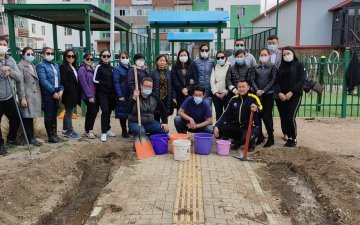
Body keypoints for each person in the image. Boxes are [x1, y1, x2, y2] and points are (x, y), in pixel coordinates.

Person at [214, 80, 262, 151]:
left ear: (248, 87)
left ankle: (250, 143)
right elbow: (225, 114)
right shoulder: (234, 99)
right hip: (238, 127)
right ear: (237, 88)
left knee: (245, 138)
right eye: (239, 87)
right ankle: (238, 140)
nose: (241, 89)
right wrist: (217, 126)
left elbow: (261, 108)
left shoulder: (253, 98)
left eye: (243, 87)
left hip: (251, 127)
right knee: (221, 128)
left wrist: (256, 108)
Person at [275, 46, 306, 147]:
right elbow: (277, 81)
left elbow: (302, 80)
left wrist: (291, 92)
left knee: (290, 117)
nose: (286, 56)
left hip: (295, 95)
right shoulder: (281, 67)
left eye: (288, 53)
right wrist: (279, 93)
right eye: (284, 54)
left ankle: (293, 138)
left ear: (293, 53)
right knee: (284, 117)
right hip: (283, 96)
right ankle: (289, 138)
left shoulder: (299, 65)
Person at [249, 48, 277, 147]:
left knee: (266, 116)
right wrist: (257, 90)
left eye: (265, 55)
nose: (263, 57)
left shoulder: (273, 67)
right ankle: (260, 136)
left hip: (268, 94)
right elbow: (252, 79)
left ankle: (271, 137)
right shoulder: (255, 67)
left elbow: (273, 80)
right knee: (257, 116)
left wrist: (264, 90)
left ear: (269, 56)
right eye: (261, 55)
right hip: (256, 94)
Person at [36, 47, 64, 143]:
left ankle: (55, 134)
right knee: (48, 114)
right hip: (48, 93)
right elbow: (43, 80)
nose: (50, 55)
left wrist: (61, 90)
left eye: (52, 53)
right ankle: (50, 136)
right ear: (43, 54)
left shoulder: (55, 65)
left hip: (57, 92)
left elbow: (59, 80)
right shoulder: (40, 65)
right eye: (48, 53)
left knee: (54, 114)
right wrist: (53, 92)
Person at [0, 37, 22, 155]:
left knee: (16, 118)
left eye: (4, 44)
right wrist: (2, 72)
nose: (2, 46)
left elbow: (19, 77)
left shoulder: (11, 59)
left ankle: (12, 138)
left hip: (10, 96)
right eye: (0, 44)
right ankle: (0, 144)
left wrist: (10, 70)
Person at [17, 47, 42, 147]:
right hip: (27, 96)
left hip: (34, 95)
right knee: (27, 118)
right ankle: (29, 138)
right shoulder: (20, 66)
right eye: (28, 54)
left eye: (32, 54)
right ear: (23, 55)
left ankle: (31, 138)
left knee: (30, 117)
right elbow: (20, 83)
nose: (31, 56)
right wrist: (22, 97)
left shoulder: (32, 65)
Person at [93, 50, 116, 142]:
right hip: (102, 94)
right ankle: (103, 132)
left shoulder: (111, 67)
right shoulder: (99, 67)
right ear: (101, 57)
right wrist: (104, 83)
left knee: (109, 111)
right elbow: (94, 80)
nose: (106, 57)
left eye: (108, 56)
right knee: (105, 111)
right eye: (104, 56)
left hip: (111, 94)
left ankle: (107, 128)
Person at [60, 49, 81, 140]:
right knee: (69, 113)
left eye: (73, 56)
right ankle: (70, 131)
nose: (71, 58)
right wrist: (71, 91)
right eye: (69, 56)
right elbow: (64, 81)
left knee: (68, 112)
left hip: (74, 93)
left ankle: (65, 129)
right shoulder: (63, 67)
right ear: (65, 57)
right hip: (69, 94)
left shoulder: (74, 67)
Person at [78, 52, 98, 139]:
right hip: (88, 95)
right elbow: (84, 83)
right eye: (87, 58)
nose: (89, 60)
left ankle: (87, 130)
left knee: (90, 112)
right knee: (93, 111)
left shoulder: (92, 69)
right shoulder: (82, 69)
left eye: (91, 59)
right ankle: (90, 131)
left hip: (93, 94)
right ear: (84, 59)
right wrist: (90, 96)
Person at [150, 54, 175, 121]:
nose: (162, 62)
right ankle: (156, 131)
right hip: (156, 99)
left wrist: (173, 97)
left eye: (164, 60)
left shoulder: (169, 73)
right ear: (157, 62)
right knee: (156, 118)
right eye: (160, 60)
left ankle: (164, 131)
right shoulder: (152, 72)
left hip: (167, 100)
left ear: (166, 62)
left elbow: (172, 86)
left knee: (165, 119)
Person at [113, 51, 131, 138]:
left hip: (130, 93)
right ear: (119, 59)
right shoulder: (117, 69)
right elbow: (116, 82)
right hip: (123, 93)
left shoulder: (131, 67)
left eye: (126, 57)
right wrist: (120, 95)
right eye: (123, 57)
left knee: (131, 112)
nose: (125, 59)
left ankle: (130, 129)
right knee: (122, 113)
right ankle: (124, 130)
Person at [210, 51, 229, 120]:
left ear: (226, 58)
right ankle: (218, 129)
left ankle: (227, 129)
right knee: (218, 113)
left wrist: (225, 92)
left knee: (228, 113)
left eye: (222, 57)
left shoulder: (229, 67)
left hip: (227, 94)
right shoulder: (215, 67)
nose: (220, 59)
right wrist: (216, 93)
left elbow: (230, 81)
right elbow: (212, 81)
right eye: (218, 58)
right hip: (216, 95)